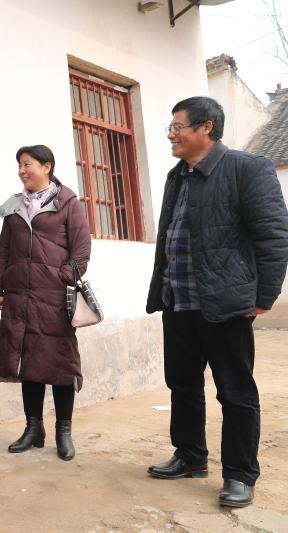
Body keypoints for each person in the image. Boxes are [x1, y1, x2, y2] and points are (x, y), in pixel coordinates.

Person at [146, 96, 288, 508]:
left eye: (177, 127)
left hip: (225, 302)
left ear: (206, 127)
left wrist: (264, 295)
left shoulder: (247, 168)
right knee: (182, 384)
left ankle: (240, 474)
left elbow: (274, 235)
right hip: (178, 299)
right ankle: (190, 455)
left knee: (235, 390)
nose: (171, 135)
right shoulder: (177, 176)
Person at [0, 145, 91, 462]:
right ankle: (33, 429)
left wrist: (62, 277)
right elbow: (4, 250)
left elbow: (81, 251)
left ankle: (64, 431)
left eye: (27, 164)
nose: (22, 171)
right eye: (20, 165)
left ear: (47, 167)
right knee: (27, 361)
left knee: (61, 362)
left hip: (54, 296)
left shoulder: (68, 203)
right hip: (19, 295)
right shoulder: (14, 207)